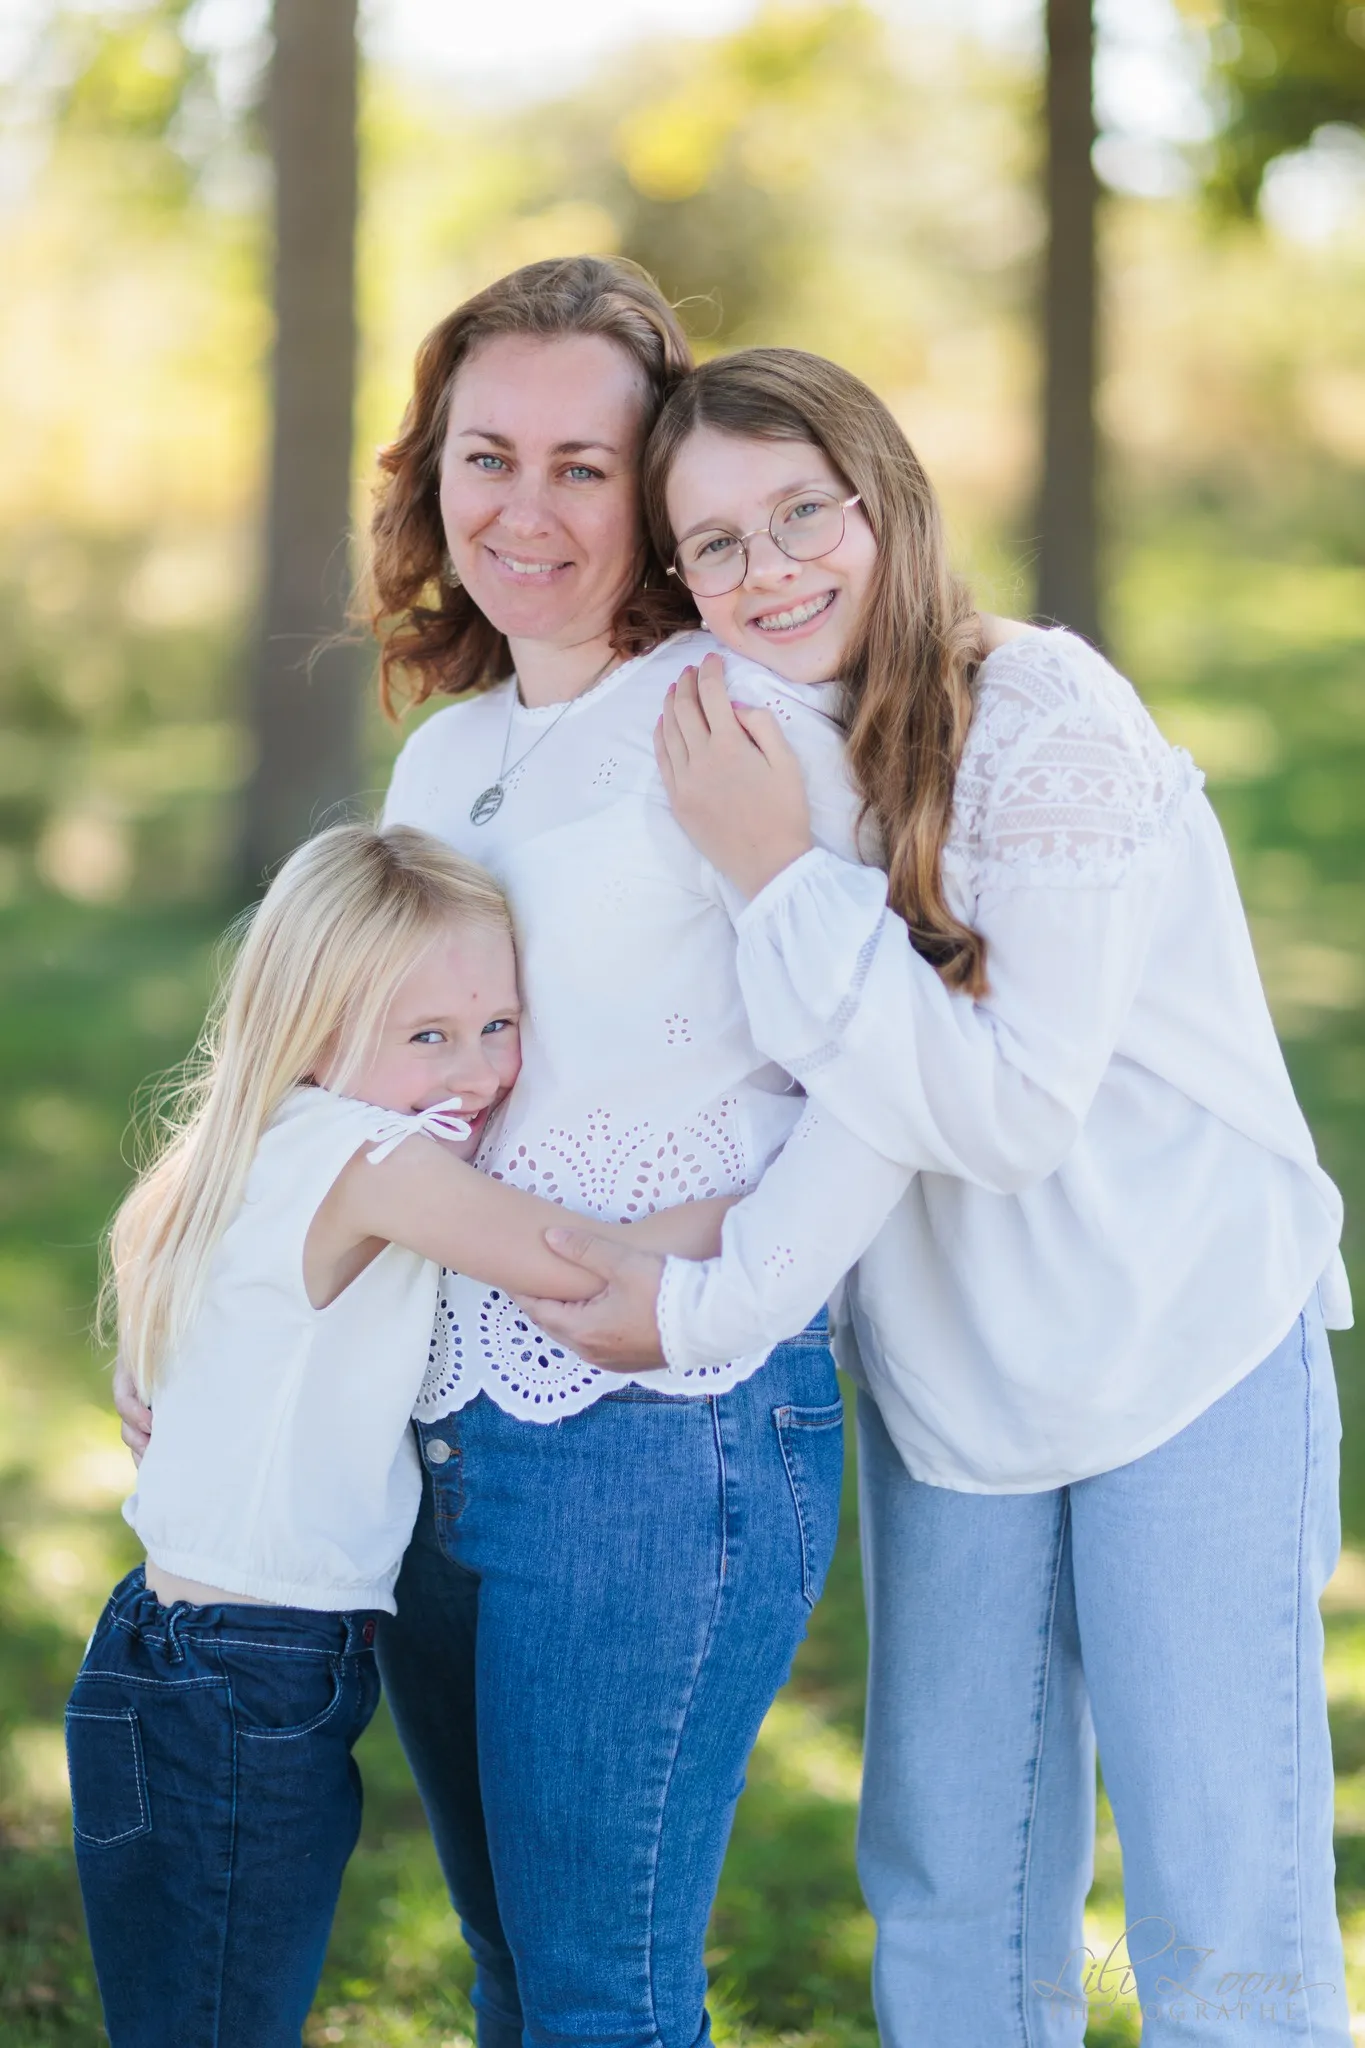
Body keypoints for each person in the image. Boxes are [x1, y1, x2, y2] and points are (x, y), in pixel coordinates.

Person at [530, 347, 1355, 2047]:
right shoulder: (733, 733)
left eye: (803, 514)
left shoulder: (1045, 712)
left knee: (1225, 1898)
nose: (774, 571)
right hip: (947, 1377)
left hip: (1178, 1334)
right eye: (720, 544)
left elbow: (1012, 1112)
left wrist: (777, 873)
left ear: (886, 501)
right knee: (951, 1884)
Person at [116, 257, 891, 2048]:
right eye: (487, 455)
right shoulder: (450, 754)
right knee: (514, 1971)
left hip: (661, 1430)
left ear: (665, 485)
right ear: (429, 471)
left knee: (603, 1983)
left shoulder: (743, 713)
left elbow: (887, 1059)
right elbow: (349, 1096)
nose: (523, 508)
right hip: (440, 1421)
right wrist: (205, 1329)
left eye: (583, 465)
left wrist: (716, 1268)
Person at [78, 821, 732, 2048]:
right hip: (241, 1675)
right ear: (316, 1029)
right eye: (428, 1035)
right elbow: (574, 1263)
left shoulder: (265, 1143)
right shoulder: (371, 1159)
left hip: (183, 1654)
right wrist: (773, 1188)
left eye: (499, 1024)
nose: (479, 1070)